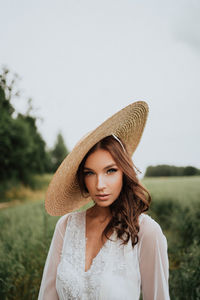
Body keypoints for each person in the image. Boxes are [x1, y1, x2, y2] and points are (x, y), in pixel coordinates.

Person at [38, 101, 170, 300]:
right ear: (82, 178)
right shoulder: (66, 226)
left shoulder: (147, 232)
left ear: (124, 172)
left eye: (110, 171)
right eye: (90, 173)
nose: (100, 184)